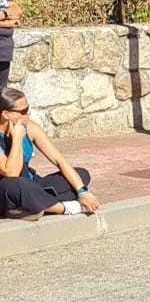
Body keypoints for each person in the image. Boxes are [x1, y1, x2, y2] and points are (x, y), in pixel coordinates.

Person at [1, 86, 100, 218]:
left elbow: (59, 160)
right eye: (23, 111)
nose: (28, 114)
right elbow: (11, 173)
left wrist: (83, 192)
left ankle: (31, 206)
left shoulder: (30, 127)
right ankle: (65, 207)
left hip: (32, 185)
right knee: (19, 185)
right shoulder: (18, 132)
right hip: (8, 189)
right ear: (5, 114)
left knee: (82, 175)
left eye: (28, 108)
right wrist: (17, 138)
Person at [0, 0, 17, 92]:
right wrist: (6, 14)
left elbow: (17, 11)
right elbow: (11, 15)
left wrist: (4, 17)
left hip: (4, 50)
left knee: (2, 93)